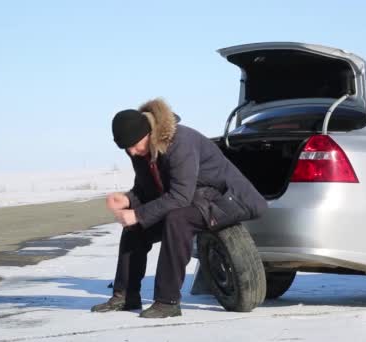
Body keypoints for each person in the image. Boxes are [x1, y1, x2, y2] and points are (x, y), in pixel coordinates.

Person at [91, 98, 267, 318]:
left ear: (148, 133)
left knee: (177, 219)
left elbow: (180, 196)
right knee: (134, 230)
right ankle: (126, 295)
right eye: (126, 148)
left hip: (228, 199)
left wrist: (137, 213)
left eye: (134, 145)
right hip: (197, 198)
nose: (132, 152)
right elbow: (147, 190)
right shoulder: (140, 151)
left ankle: (168, 301)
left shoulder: (180, 142)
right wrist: (128, 200)